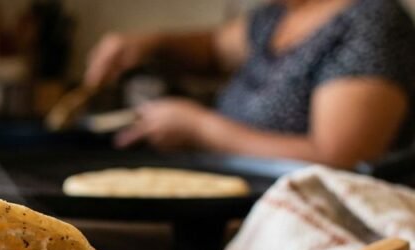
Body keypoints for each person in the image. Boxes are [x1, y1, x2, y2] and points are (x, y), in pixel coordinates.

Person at [84, 0, 415, 168]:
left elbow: (338, 160)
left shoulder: (371, 23)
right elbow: (214, 49)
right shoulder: (276, 16)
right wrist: (152, 44)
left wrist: (201, 129)